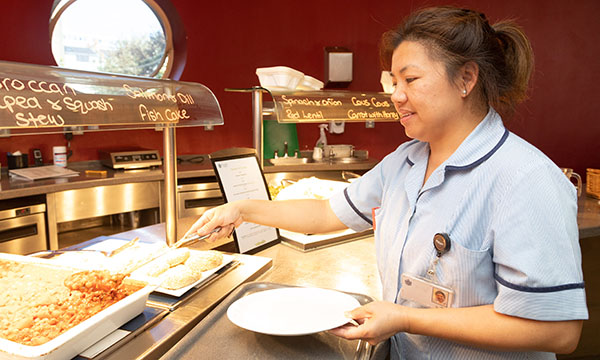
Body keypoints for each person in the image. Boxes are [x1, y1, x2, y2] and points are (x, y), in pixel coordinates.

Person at [186, 6, 588, 359]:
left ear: (466, 79)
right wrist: (244, 209)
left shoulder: (526, 179)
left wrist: (407, 319)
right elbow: (327, 211)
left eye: (410, 80)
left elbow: (557, 330)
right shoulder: (406, 161)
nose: (395, 95)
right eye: (393, 81)